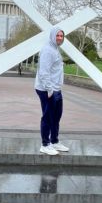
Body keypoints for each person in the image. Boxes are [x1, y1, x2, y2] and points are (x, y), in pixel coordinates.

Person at [34, 27, 69, 155]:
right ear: (52, 36)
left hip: (56, 88)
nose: (60, 38)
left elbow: (52, 67)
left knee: (56, 116)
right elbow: (43, 72)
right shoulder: (48, 50)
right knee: (48, 117)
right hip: (47, 89)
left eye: (61, 36)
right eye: (57, 35)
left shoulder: (55, 49)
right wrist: (49, 89)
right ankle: (45, 144)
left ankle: (54, 141)